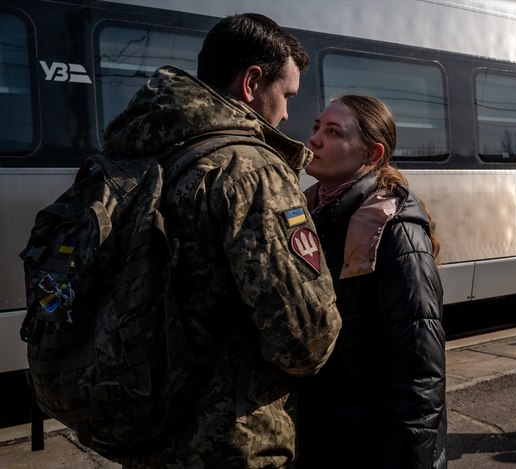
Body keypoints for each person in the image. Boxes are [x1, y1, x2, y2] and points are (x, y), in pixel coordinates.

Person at [102, 13, 342, 467]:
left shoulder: (137, 148)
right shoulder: (250, 170)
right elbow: (305, 338)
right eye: (286, 94)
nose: (288, 113)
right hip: (226, 440)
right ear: (252, 82)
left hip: (140, 421)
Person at [296, 95, 447, 468]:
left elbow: (418, 375)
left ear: (371, 154)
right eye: (316, 127)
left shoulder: (395, 233)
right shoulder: (313, 215)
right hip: (330, 439)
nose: (314, 139)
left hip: (370, 448)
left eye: (333, 132)